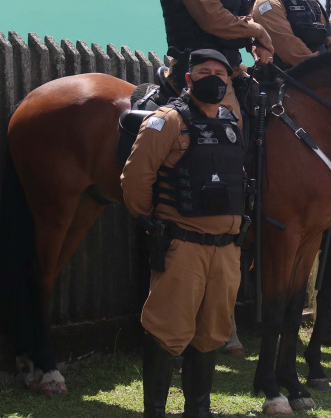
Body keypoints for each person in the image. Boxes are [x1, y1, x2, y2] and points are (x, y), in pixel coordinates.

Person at [122, 49, 248, 418]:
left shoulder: (231, 122)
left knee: (212, 331)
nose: (214, 77)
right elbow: (135, 180)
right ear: (188, 78)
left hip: (226, 251)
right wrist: (154, 223)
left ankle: (198, 409)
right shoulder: (168, 121)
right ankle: (155, 410)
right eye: (204, 71)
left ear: (228, 80)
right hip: (184, 244)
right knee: (166, 329)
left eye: (220, 73)